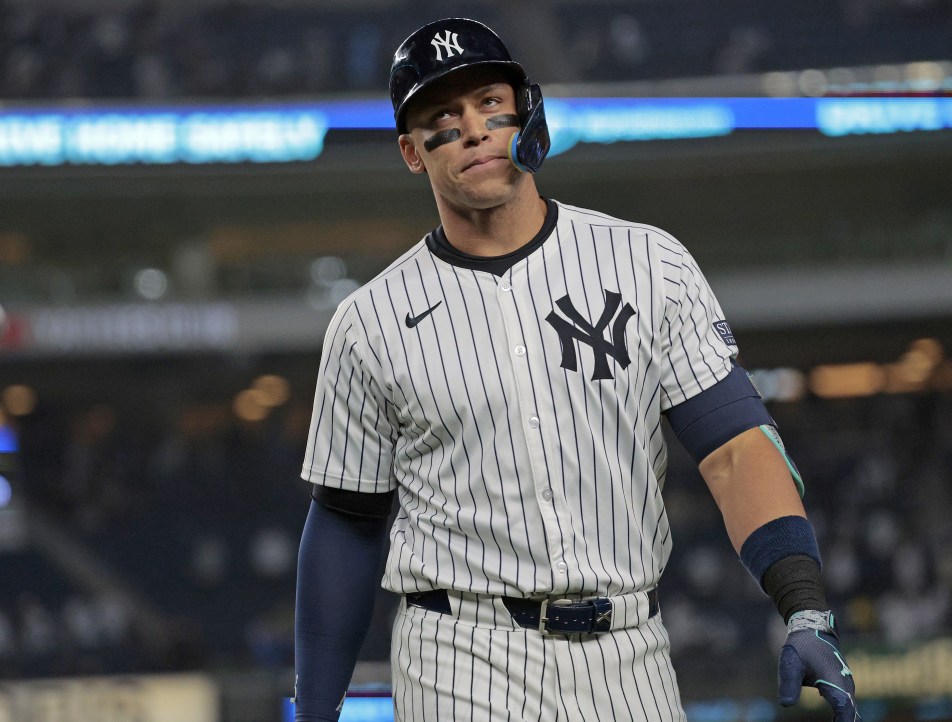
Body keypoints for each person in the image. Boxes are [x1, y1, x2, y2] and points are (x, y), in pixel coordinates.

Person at [294, 17, 860, 722]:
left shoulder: (648, 264)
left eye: (488, 103)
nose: (472, 128)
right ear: (412, 152)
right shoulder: (368, 322)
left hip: (629, 651)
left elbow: (735, 447)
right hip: (459, 656)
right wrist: (316, 708)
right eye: (444, 115)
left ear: (526, 111)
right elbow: (347, 521)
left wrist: (803, 606)